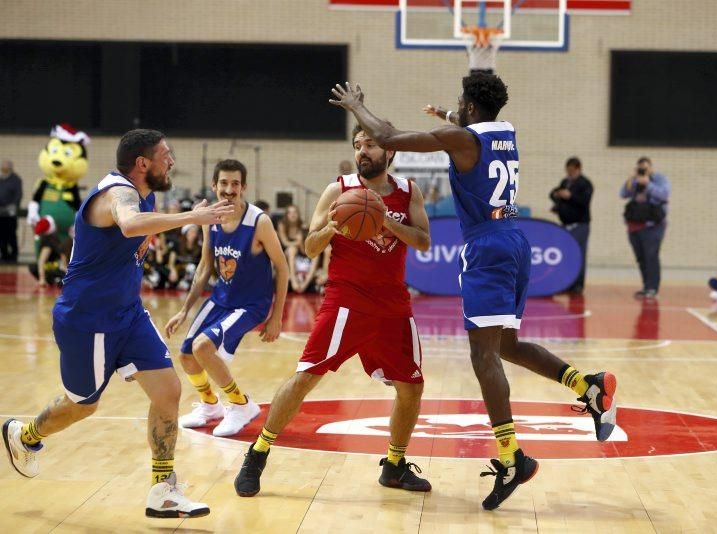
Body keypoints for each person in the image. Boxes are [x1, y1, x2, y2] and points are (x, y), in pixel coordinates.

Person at [328, 76, 617, 510]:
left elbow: (386, 137)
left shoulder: (460, 138)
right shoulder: (506, 131)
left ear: (469, 105)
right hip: (516, 241)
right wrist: (447, 117)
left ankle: (511, 457)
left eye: (460, 104)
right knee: (506, 344)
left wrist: (356, 106)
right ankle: (589, 385)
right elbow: (467, 134)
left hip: (486, 247)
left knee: (483, 356)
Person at [1, 129, 235, 518]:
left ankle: (163, 489)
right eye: (166, 155)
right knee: (82, 406)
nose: (172, 160)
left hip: (127, 313)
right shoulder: (118, 193)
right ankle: (24, 436)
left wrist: (149, 239)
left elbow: (135, 233)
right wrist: (194, 216)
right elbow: (128, 223)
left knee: (168, 391)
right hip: (87, 319)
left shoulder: (147, 195)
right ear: (143, 163)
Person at [234, 123, 433, 498]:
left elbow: (423, 241)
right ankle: (257, 454)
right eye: (358, 145)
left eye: (370, 145)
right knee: (306, 377)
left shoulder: (409, 193)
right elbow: (310, 247)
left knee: (412, 387)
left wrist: (384, 220)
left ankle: (394, 465)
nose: (363, 151)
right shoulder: (338, 190)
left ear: (389, 151)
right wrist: (331, 229)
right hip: (346, 300)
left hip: (392, 304)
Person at [165, 159, 289, 437]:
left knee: (202, 347)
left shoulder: (259, 222)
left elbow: (282, 267)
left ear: (243, 187)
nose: (229, 189)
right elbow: (205, 266)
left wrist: (276, 316)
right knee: (186, 356)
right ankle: (210, 406)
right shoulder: (211, 218)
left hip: (250, 304)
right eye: (223, 183)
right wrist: (185, 310)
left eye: (235, 183)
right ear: (214, 185)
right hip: (220, 298)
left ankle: (241, 404)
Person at [620, 157, 670, 299]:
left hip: (653, 226)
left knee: (651, 256)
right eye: (640, 168)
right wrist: (631, 179)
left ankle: (653, 288)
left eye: (645, 168)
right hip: (634, 225)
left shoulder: (659, 179)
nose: (643, 171)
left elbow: (664, 194)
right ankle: (646, 286)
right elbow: (623, 194)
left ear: (651, 168)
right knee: (641, 258)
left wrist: (648, 184)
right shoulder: (635, 180)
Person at [549, 157, 593, 293]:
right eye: (568, 171)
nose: (569, 173)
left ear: (578, 169)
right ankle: (566, 283)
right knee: (566, 254)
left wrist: (570, 196)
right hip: (565, 224)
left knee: (578, 254)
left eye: (572, 171)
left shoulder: (585, 184)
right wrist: (557, 195)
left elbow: (584, 201)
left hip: (580, 224)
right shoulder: (565, 182)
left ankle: (578, 285)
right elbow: (553, 193)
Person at [0, 160, 22, 263]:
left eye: (5, 165)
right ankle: (4, 255)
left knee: (11, 234)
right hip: (0, 213)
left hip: (10, 213)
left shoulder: (15, 179)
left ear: (10, 167)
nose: (3, 167)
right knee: (1, 235)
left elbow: (18, 195)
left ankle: (13, 256)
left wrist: (13, 206)